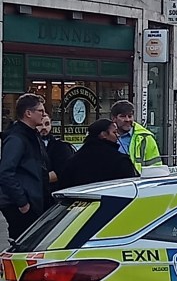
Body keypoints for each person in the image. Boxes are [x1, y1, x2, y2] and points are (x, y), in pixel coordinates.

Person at [0, 94, 49, 240]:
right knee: (23, 243)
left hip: (34, 201)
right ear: (28, 113)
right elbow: (6, 172)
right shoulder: (17, 138)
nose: (44, 114)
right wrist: (22, 202)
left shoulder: (32, 135)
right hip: (21, 205)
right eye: (40, 111)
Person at [59, 119, 138, 188]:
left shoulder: (74, 159)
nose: (117, 136)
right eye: (114, 132)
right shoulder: (120, 160)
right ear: (103, 134)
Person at [111, 100, 162, 173]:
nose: (127, 120)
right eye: (123, 116)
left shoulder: (145, 137)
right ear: (114, 118)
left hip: (137, 181)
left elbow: (156, 167)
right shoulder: (104, 136)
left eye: (130, 116)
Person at [37, 115, 75, 192]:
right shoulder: (29, 144)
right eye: (40, 125)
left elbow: (60, 172)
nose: (44, 127)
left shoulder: (60, 146)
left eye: (47, 124)